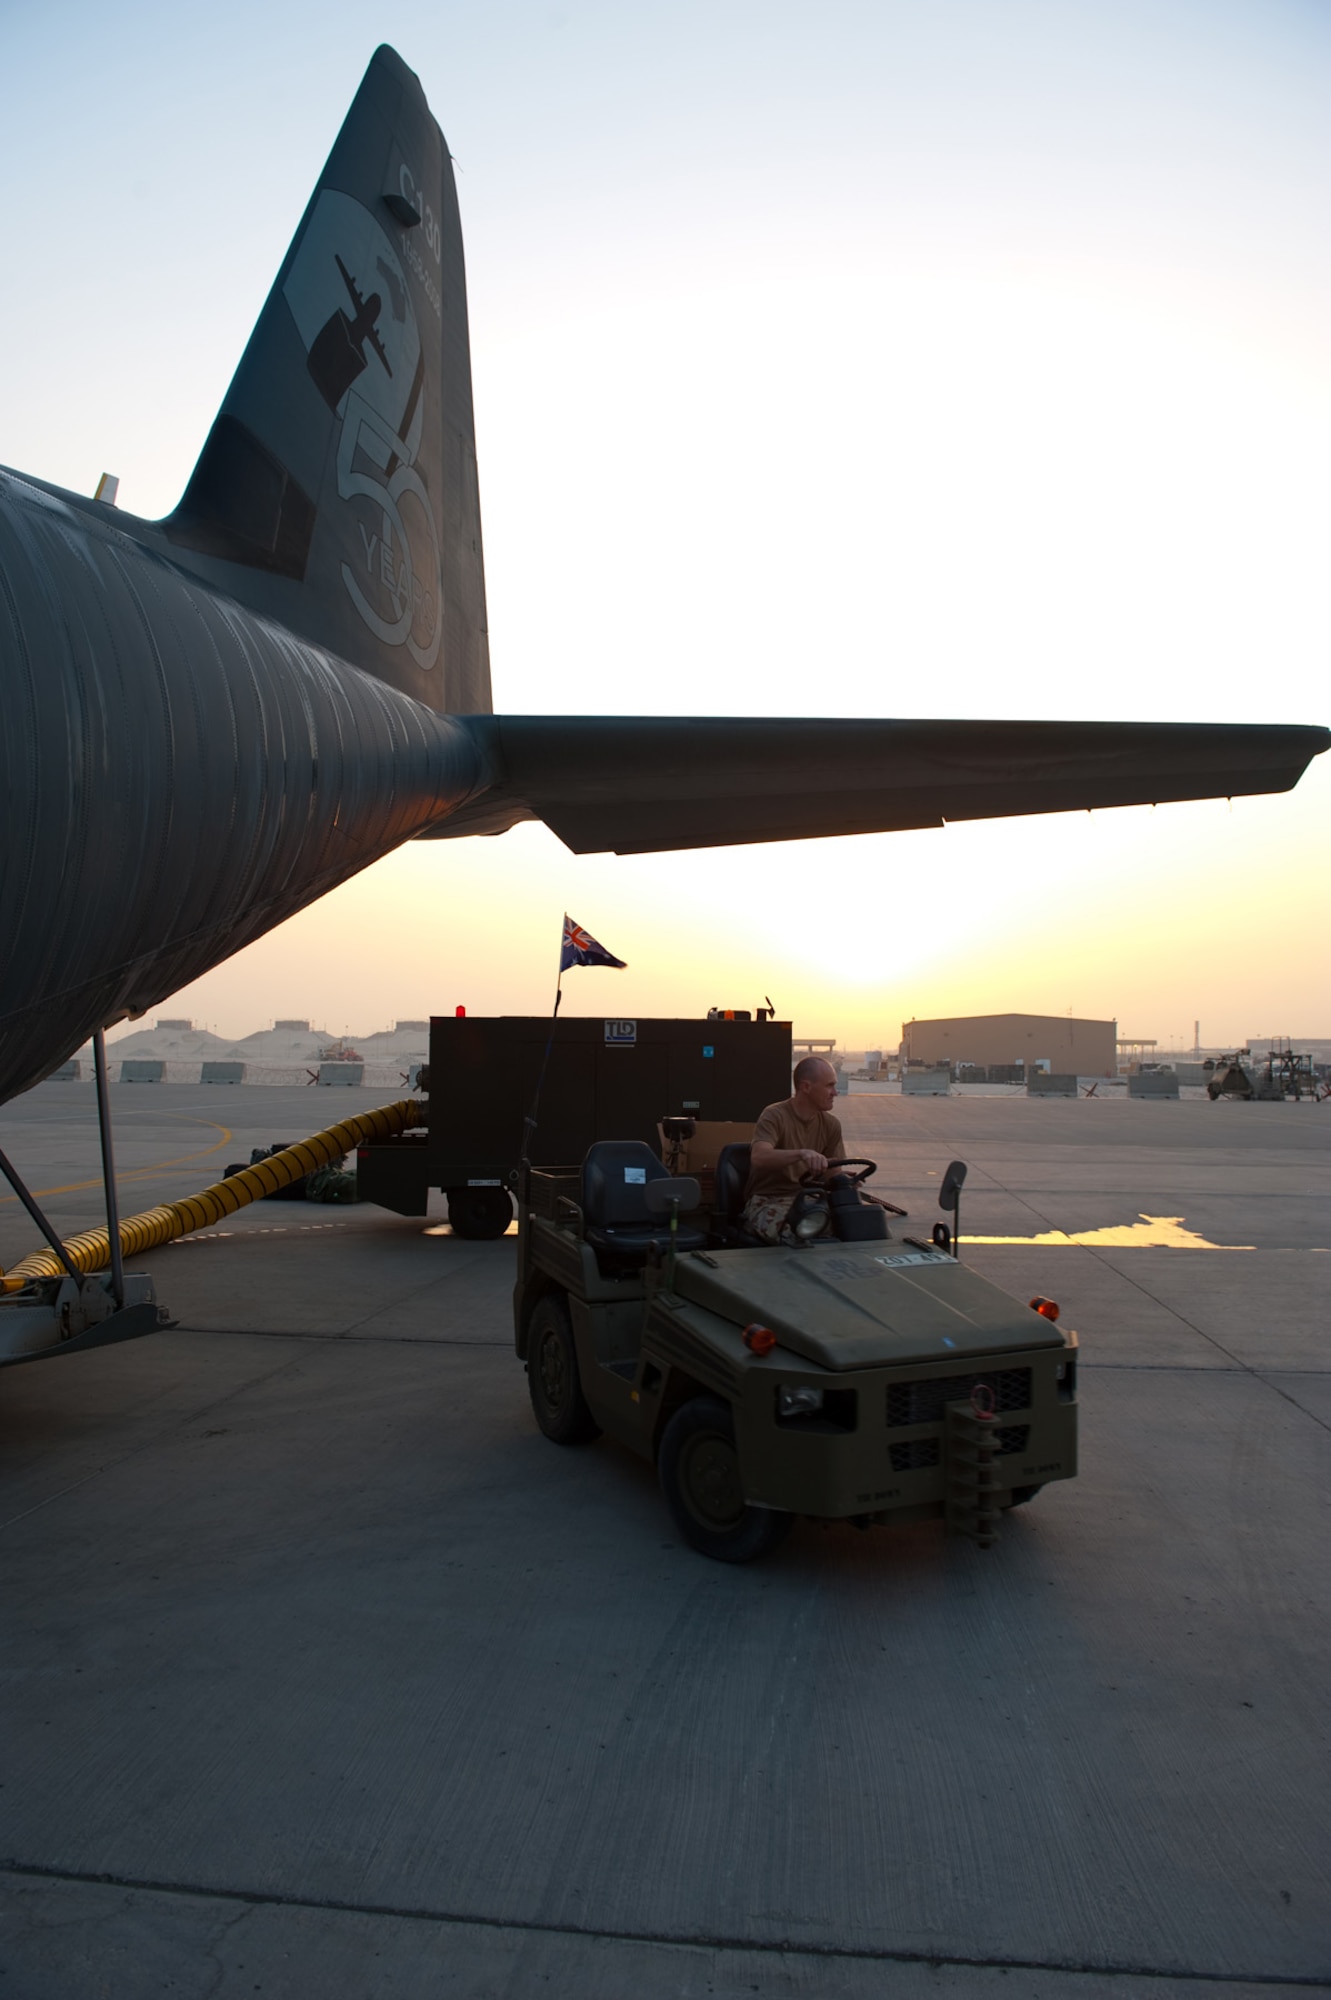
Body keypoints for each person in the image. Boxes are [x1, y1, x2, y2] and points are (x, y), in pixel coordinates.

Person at [741, 1056, 846, 1243]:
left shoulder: (831, 1125)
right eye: (829, 1086)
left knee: (854, 1221)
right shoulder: (775, 1115)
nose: (835, 1093)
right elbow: (759, 1156)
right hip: (768, 1200)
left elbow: (833, 1173)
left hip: (809, 1198)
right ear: (806, 1087)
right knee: (799, 1230)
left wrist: (843, 1180)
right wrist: (802, 1154)